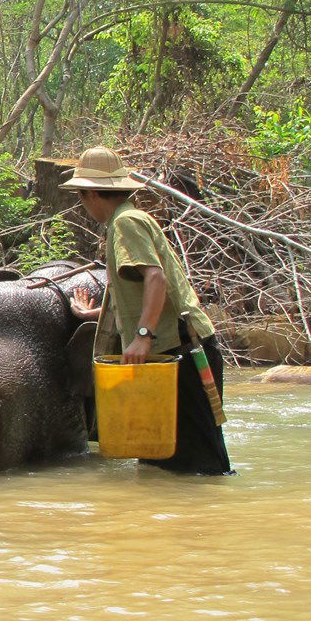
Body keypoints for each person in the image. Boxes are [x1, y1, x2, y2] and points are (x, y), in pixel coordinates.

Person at [62, 146, 233, 475]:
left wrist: (142, 336)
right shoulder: (129, 219)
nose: (84, 206)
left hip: (181, 348)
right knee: (162, 454)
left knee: (198, 462)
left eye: (82, 197)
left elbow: (155, 278)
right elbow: (142, 296)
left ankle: (205, 520)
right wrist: (92, 315)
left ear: (92, 195)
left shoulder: (126, 222)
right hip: (180, 346)